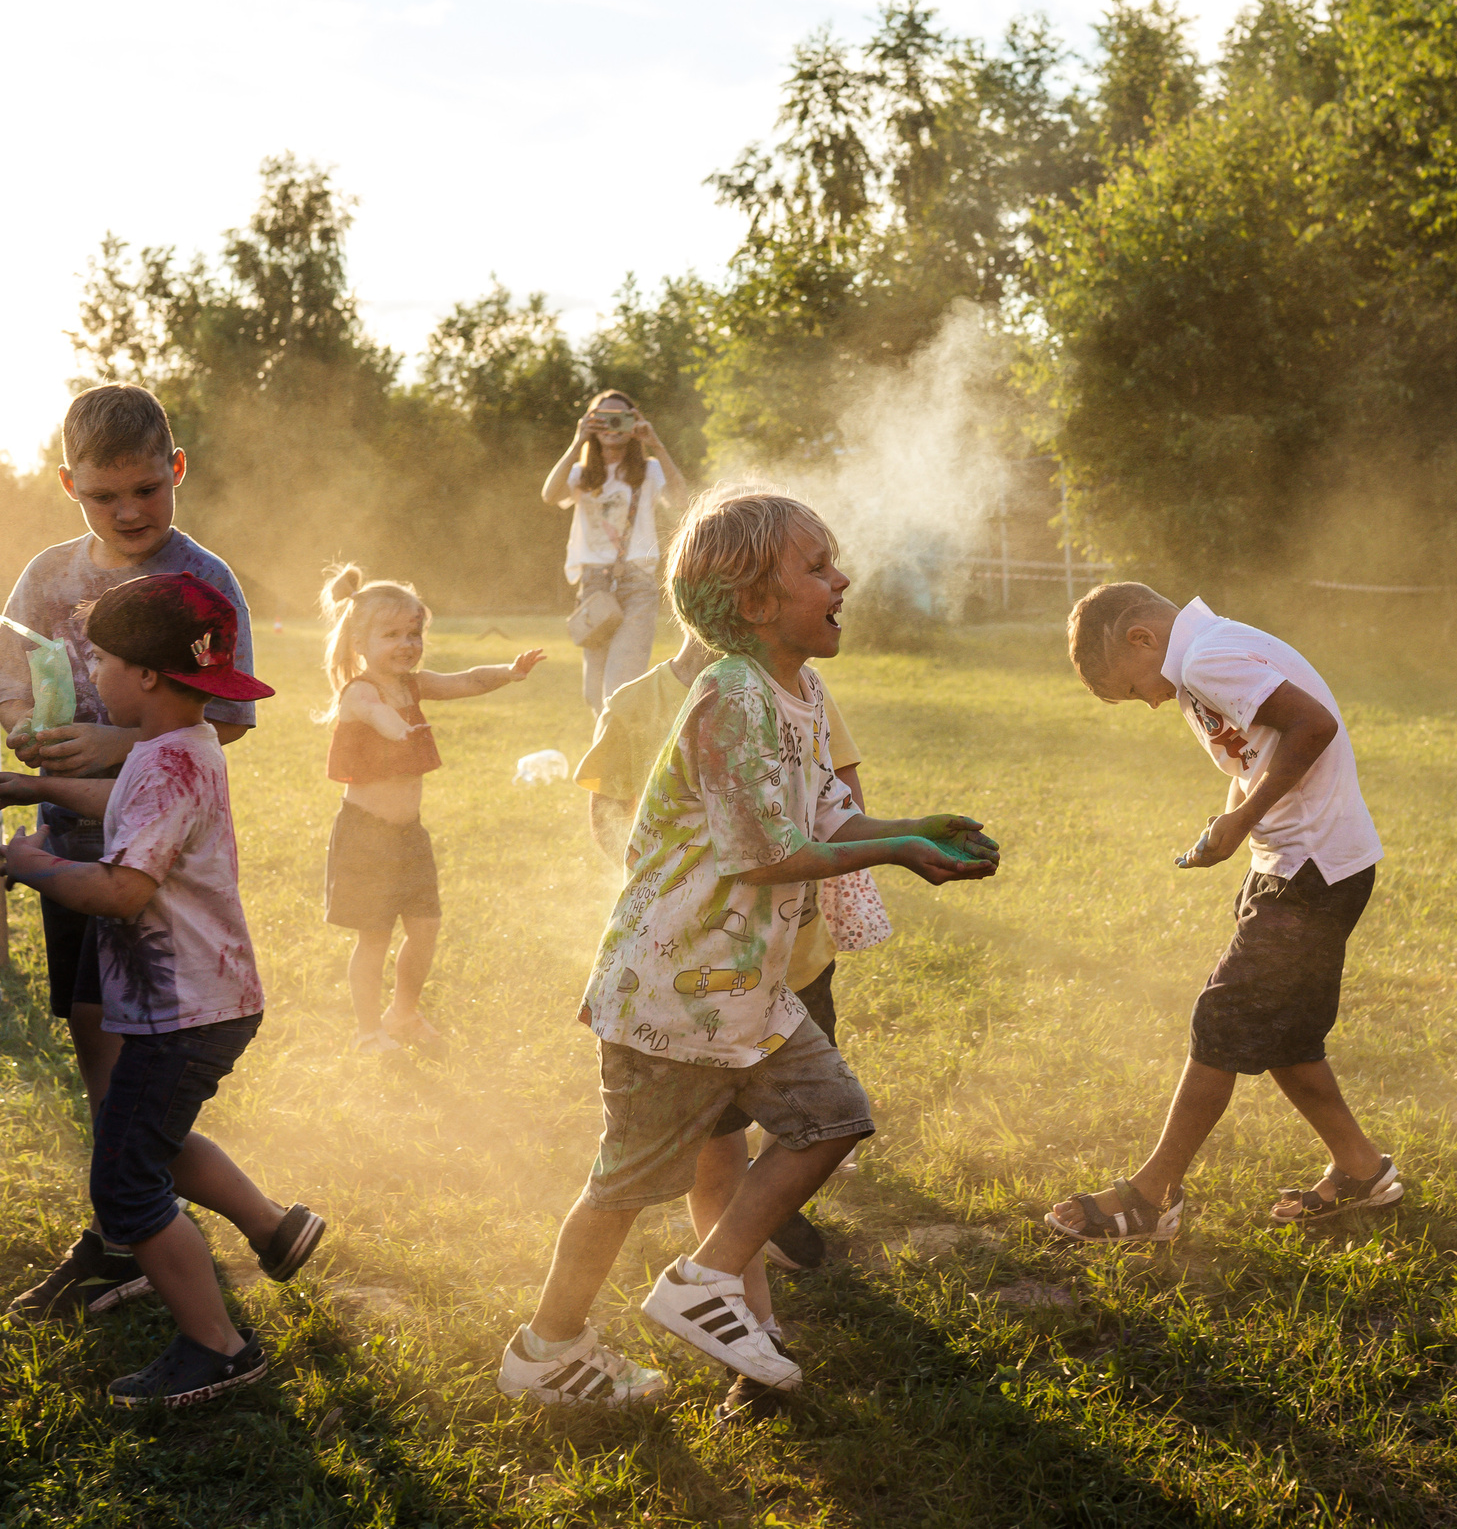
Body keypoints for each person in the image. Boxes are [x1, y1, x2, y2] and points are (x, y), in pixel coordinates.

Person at [496, 489, 998, 1409]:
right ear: (757, 602)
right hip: (672, 993)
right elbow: (765, 853)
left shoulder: (799, 690)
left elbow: (826, 815)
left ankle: (706, 1279)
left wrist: (912, 829)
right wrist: (893, 850)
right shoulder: (730, 694)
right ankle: (547, 1347)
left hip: (742, 987)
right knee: (623, 1186)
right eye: (818, 566)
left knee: (834, 1114)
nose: (842, 578)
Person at [0, 574, 324, 1410]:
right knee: (149, 1137)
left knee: (125, 1181)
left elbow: (124, 889)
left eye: (101, 658)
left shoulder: (165, 759)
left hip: (186, 1011)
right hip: (204, 999)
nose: (92, 672)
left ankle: (219, 1347)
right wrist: (40, 787)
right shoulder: (181, 745)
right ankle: (273, 1228)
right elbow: (128, 800)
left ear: (148, 675)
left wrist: (37, 865)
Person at [0, 383, 259, 1322]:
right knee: (92, 1031)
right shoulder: (46, 576)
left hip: (157, 864)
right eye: (106, 496)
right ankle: (131, 1221)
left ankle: (131, 1221)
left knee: (141, 1048)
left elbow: (230, 715)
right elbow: (9, 678)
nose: (131, 511)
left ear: (176, 468)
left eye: (148, 488)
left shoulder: (202, 579)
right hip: (74, 847)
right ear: (69, 485)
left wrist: (117, 742)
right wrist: (27, 729)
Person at [1046, 583, 1395, 1241]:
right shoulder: (1204, 654)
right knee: (1287, 1036)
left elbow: (1313, 725)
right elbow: (1258, 751)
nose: (1151, 702)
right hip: (1303, 866)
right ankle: (1361, 1168)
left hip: (1309, 871)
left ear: (1142, 639)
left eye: (1134, 688)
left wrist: (1243, 819)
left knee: (1222, 1017)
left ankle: (1150, 1196)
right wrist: (1230, 820)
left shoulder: (1207, 658)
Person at [574, 629, 868, 1295]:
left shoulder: (802, 687)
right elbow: (611, 814)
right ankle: (731, 1271)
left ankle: (763, 1213)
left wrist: (838, 860)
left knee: (809, 1112)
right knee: (719, 1138)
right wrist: (670, 886)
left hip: (795, 958)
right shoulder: (638, 702)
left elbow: (841, 787)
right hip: (702, 977)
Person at [315, 564, 543, 1051]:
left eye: (413, 634)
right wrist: (397, 729)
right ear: (359, 641)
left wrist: (510, 673)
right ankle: (368, 1031)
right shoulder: (361, 692)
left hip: (408, 835)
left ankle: (403, 1014)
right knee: (374, 937)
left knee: (425, 929)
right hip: (366, 835)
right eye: (391, 635)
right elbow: (376, 715)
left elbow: (468, 681)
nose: (406, 644)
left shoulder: (413, 685)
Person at [540, 390, 691, 714]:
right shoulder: (581, 474)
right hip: (594, 587)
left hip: (636, 583)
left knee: (620, 687)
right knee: (594, 693)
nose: (611, 426)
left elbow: (682, 500)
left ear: (633, 423)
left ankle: (622, 748)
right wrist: (578, 442)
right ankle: (614, 747)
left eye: (619, 418)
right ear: (590, 423)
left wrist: (656, 444)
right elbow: (549, 495)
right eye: (602, 418)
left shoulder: (648, 470)